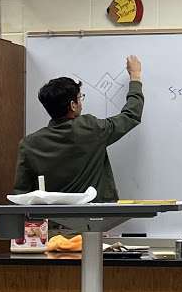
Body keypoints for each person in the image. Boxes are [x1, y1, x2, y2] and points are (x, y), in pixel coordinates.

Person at [13, 55, 143, 201]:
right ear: (73, 105)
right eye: (80, 97)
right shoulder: (90, 129)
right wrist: (135, 77)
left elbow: (21, 195)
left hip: (54, 220)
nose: (81, 102)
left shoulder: (29, 144)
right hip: (95, 219)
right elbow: (131, 115)